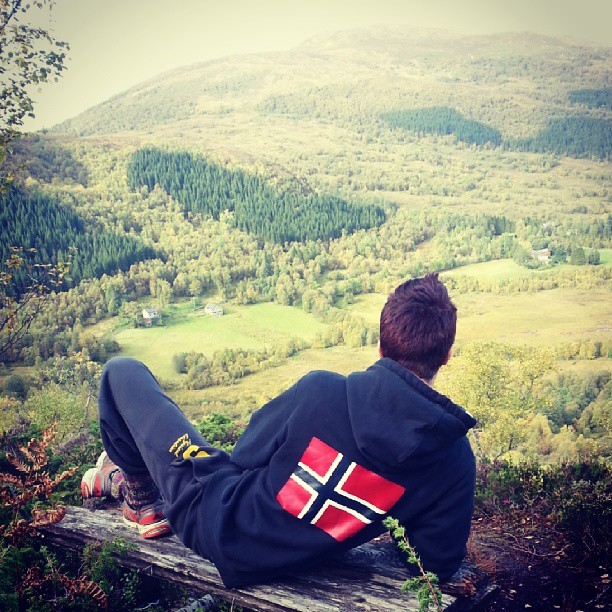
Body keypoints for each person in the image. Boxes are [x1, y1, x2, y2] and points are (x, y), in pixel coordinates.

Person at [81, 273, 476, 588]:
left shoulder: (321, 392)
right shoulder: (453, 458)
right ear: (446, 356)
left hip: (215, 525)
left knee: (122, 373)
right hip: (301, 561)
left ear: (380, 345)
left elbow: (242, 457)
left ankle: (142, 498)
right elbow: (435, 563)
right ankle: (125, 482)